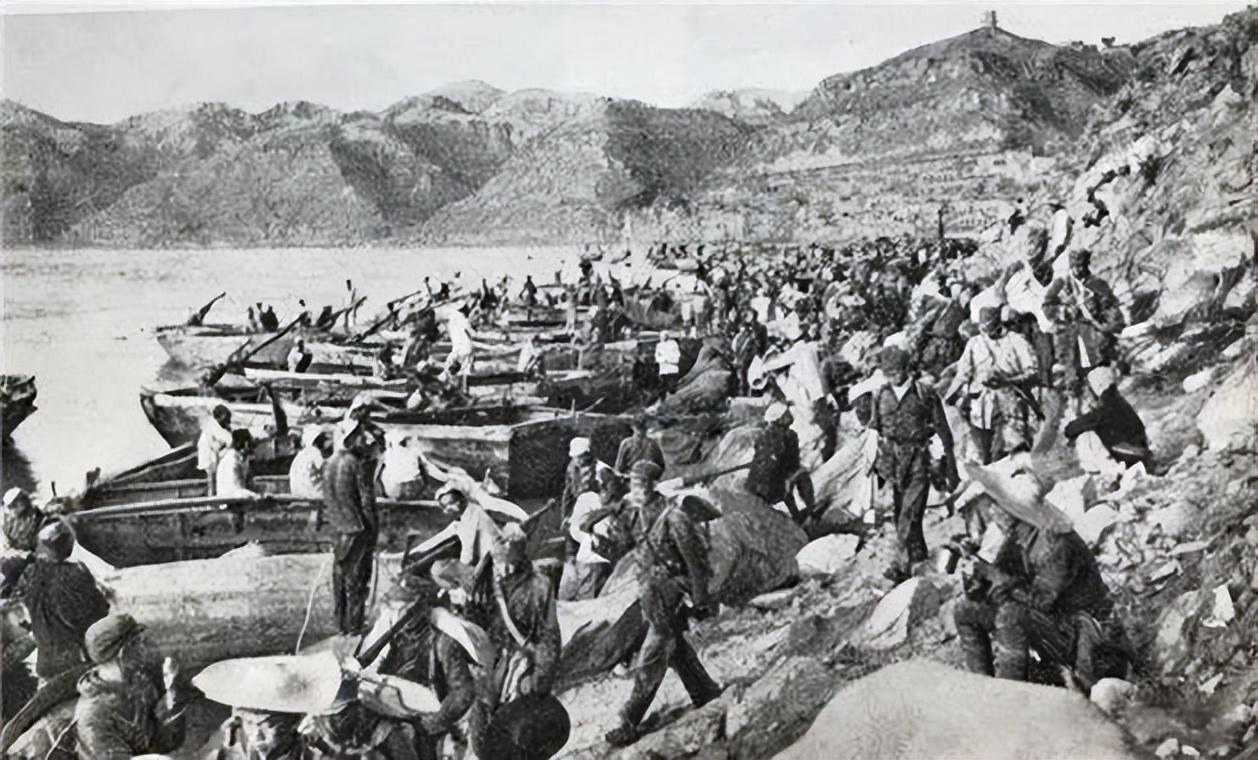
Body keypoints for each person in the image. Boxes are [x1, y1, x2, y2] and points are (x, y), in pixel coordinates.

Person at [953, 463, 1131, 690]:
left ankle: (1008, 693)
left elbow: (1041, 602)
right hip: (1056, 627)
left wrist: (999, 579)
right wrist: (976, 576)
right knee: (965, 609)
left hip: (1084, 636)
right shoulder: (1019, 538)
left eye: (996, 506)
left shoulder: (1057, 544)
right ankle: (981, 685)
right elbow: (1001, 582)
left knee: (1011, 614)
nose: (992, 514)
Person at [605, 461, 721, 747]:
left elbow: (695, 563)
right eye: (632, 485)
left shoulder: (674, 517)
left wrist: (700, 600)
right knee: (676, 649)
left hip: (671, 590)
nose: (635, 490)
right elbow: (621, 546)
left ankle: (630, 719)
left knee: (652, 654)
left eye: (641, 485)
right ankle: (705, 691)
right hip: (651, 592)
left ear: (653, 485)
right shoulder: (635, 514)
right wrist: (612, 519)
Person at [861, 346, 957, 581]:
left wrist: (949, 466)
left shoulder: (925, 393)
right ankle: (918, 558)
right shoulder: (880, 395)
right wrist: (871, 461)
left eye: (896, 371)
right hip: (892, 461)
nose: (893, 376)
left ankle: (901, 566)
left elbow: (943, 431)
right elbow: (874, 428)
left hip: (919, 459)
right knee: (900, 514)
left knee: (910, 513)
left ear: (906, 369)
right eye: (888, 372)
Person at [469, 525, 562, 756]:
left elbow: (548, 636)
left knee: (519, 727)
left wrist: (539, 680)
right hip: (490, 657)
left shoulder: (539, 586)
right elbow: (474, 620)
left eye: (509, 562)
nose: (504, 569)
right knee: (481, 722)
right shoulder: (483, 580)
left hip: (523, 660)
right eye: (500, 562)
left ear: (520, 557)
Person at [75, 613, 187, 759]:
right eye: (138, 644)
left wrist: (172, 690)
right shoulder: (93, 714)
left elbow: (165, 742)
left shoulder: (140, 684)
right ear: (124, 652)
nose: (143, 649)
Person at [13, 520, 110, 683]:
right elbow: (99, 612)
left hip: (45, 663)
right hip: (78, 662)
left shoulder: (29, 573)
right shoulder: (75, 573)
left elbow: (22, 612)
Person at [945, 306, 1039, 463]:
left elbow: (1033, 371)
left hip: (1009, 403)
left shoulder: (1016, 341)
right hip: (980, 406)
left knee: (1005, 452)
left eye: (989, 326)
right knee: (983, 453)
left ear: (997, 323)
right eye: (982, 327)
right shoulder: (975, 343)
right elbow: (963, 373)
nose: (985, 331)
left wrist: (1008, 380)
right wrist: (949, 395)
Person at [322, 419, 379, 634]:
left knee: (339, 579)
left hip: (336, 529)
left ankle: (341, 626)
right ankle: (355, 627)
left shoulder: (328, 463)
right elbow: (367, 502)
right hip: (356, 529)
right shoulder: (356, 464)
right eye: (360, 436)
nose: (363, 440)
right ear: (351, 438)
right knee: (356, 580)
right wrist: (374, 531)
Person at [1043, 249, 1125, 397]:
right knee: (1074, 387)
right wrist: (1064, 311)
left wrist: (1097, 319)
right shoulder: (1061, 284)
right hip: (1069, 341)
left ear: (1087, 265)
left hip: (1093, 339)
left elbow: (1111, 311)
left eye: (1081, 265)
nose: (1078, 269)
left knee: (1102, 384)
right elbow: (1047, 307)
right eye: (1074, 265)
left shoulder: (1097, 285)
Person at [1064, 367, 1152, 469]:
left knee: (1096, 428)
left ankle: (1107, 466)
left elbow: (1080, 424)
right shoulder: (1117, 400)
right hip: (1140, 448)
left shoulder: (1106, 408)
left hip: (1132, 454)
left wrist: (1069, 431)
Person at [745, 402, 815, 522]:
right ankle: (809, 510)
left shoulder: (762, 436)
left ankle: (796, 512)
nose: (790, 415)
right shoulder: (790, 436)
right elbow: (793, 464)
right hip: (775, 488)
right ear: (779, 420)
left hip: (753, 486)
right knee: (802, 475)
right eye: (786, 414)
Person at [559, 437, 599, 548]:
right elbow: (568, 491)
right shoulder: (571, 468)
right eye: (576, 457)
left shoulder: (597, 468)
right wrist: (565, 515)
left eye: (581, 457)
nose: (579, 460)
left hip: (593, 507)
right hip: (577, 505)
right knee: (571, 534)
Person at [198, 405, 234, 496]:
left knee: (219, 479)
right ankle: (212, 499)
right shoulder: (211, 426)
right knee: (212, 480)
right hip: (209, 457)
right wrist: (223, 445)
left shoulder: (220, 427)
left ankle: (218, 496)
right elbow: (215, 445)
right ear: (220, 416)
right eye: (225, 417)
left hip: (216, 456)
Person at [379, 432, 427, 500]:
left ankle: (396, 441)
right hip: (404, 469)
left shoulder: (395, 482)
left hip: (399, 468)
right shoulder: (407, 480)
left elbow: (389, 466)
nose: (408, 490)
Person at [1, 487, 46, 558]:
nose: (12, 510)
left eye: (13, 506)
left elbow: (33, 540)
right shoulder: (12, 522)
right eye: (10, 507)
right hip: (21, 554)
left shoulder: (35, 515)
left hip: (36, 554)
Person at [289, 427, 332, 499]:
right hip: (310, 495)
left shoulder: (300, 455)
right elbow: (326, 469)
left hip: (297, 494)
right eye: (322, 439)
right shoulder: (315, 452)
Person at [216, 429, 258, 497]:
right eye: (248, 442)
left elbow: (249, 484)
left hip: (237, 497)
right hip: (229, 500)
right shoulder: (231, 461)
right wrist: (256, 496)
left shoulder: (241, 459)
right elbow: (235, 490)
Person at [654, 331, 682, 399]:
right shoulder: (659, 345)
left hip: (672, 369)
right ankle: (664, 397)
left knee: (672, 384)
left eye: (664, 336)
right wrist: (664, 359)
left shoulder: (673, 344)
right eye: (661, 337)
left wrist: (669, 359)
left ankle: (672, 395)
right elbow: (657, 358)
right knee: (664, 384)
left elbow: (677, 355)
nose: (662, 338)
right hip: (664, 369)